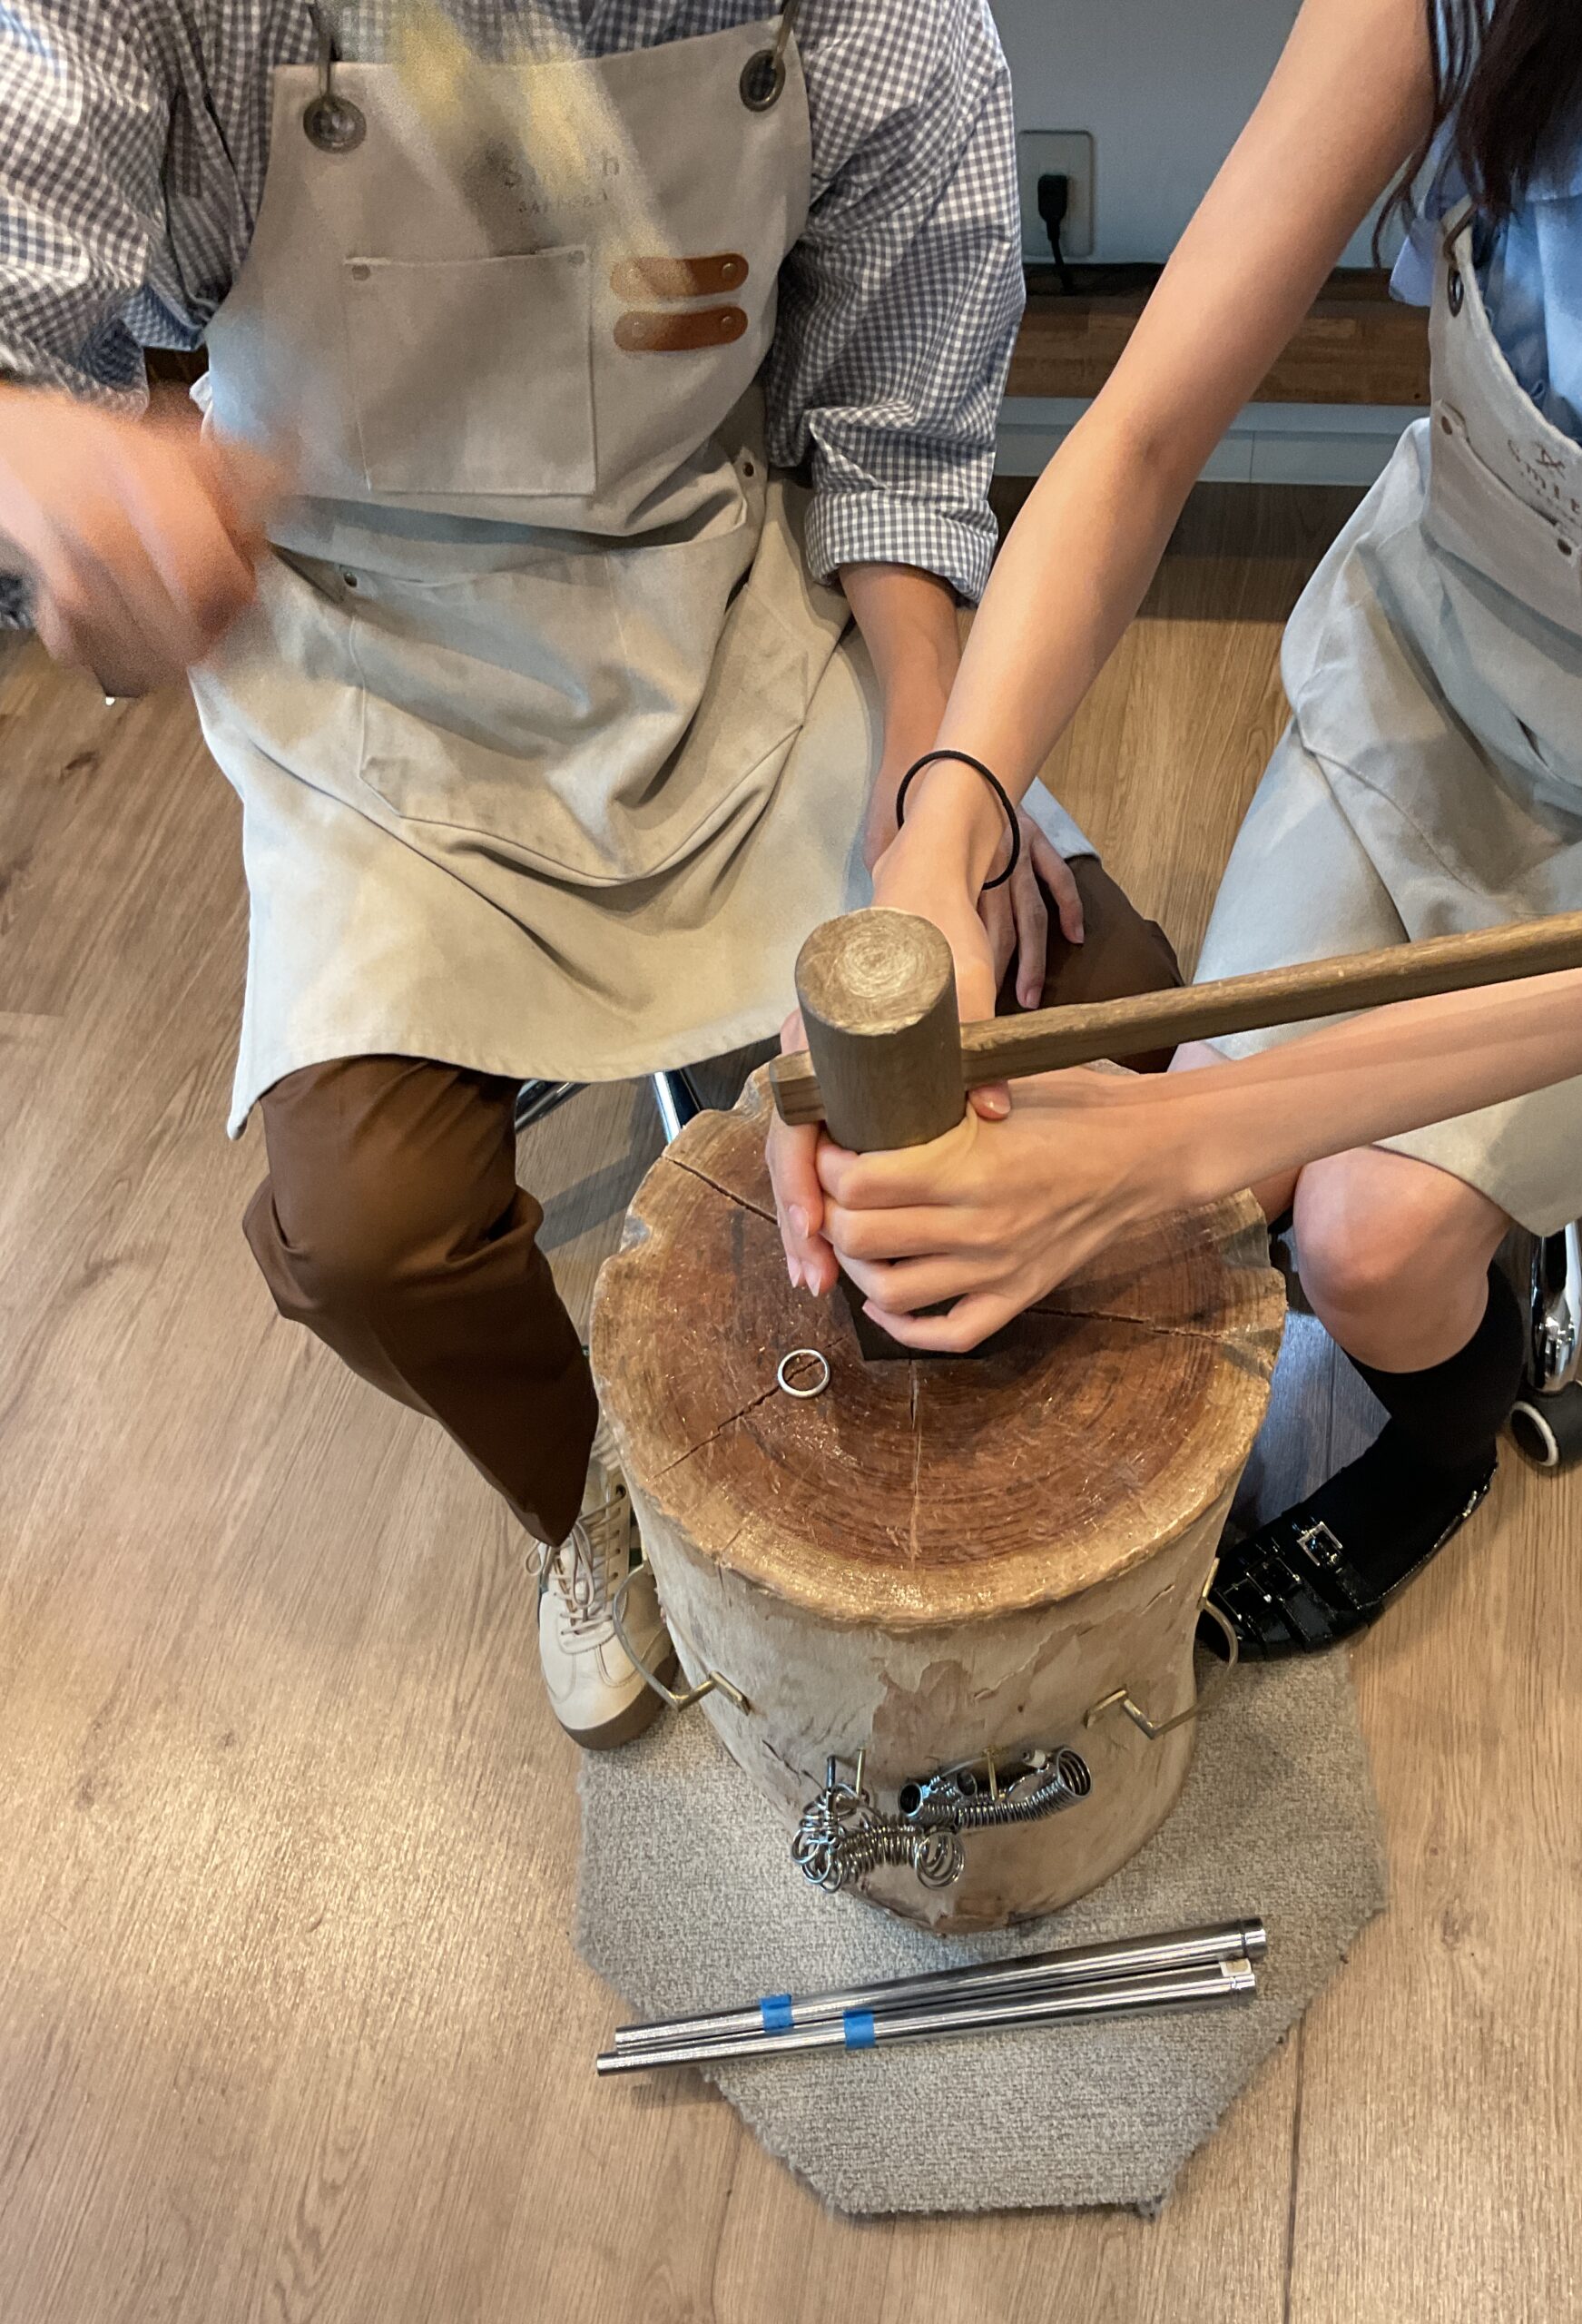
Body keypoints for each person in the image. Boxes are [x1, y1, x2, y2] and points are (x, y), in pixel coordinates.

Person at [0, 1, 1182, 1746]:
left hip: (718, 573)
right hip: (366, 644)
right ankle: (592, 1502)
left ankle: (957, 1434)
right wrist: (41, 461)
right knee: (372, 1237)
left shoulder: (877, 21)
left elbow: (897, 440)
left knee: (1102, 1009)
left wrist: (942, 790)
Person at [771, 0, 1582, 1659]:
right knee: (1230, 1169)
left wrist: (1164, 1146)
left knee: (1363, 1240)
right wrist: (939, 833)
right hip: (1428, 671)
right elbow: (1142, 433)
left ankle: (1439, 1456)